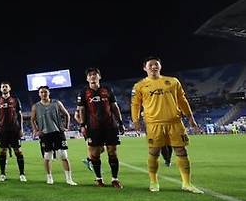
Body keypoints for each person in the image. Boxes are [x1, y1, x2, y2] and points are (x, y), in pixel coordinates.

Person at [131, 56, 203, 193]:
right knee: (154, 152)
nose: (153, 67)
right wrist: (135, 120)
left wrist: (191, 118)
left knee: (181, 152)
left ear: (160, 66)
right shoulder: (139, 86)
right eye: (150, 65)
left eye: (156, 64)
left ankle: (186, 183)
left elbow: (182, 100)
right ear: (145, 68)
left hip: (175, 122)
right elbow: (135, 105)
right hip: (153, 124)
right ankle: (153, 182)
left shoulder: (172, 81)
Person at [76, 68, 125, 188]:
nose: (92, 76)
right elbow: (81, 110)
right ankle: (99, 179)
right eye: (90, 75)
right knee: (94, 154)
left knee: (112, 152)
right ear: (87, 78)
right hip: (93, 128)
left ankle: (115, 179)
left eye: (95, 74)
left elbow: (114, 106)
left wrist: (120, 122)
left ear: (99, 77)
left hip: (110, 126)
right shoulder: (83, 92)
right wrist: (82, 125)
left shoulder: (107, 89)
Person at [31, 86, 77, 185]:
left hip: (58, 133)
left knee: (64, 155)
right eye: (41, 92)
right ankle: (49, 178)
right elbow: (32, 119)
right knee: (47, 157)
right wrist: (36, 130)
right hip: (45, 134)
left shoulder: (56, 103)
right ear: (39, 94)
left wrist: (66, 126)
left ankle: (69, 179)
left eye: (45, 92)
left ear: (49, 93)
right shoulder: (36, 106)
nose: (44, 94)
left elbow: (67, 114)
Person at [0, 82, 26, 182]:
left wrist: (21, 128)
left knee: (18, 151)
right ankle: (2, 174)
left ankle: (22, 174)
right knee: (2, 151)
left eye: (6, 86)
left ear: (9, 88)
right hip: (2, 130)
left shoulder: (15, 100)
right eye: (2, 86)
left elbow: (20, 115)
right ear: (0, 89)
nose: (4, 88)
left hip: (14, 129)